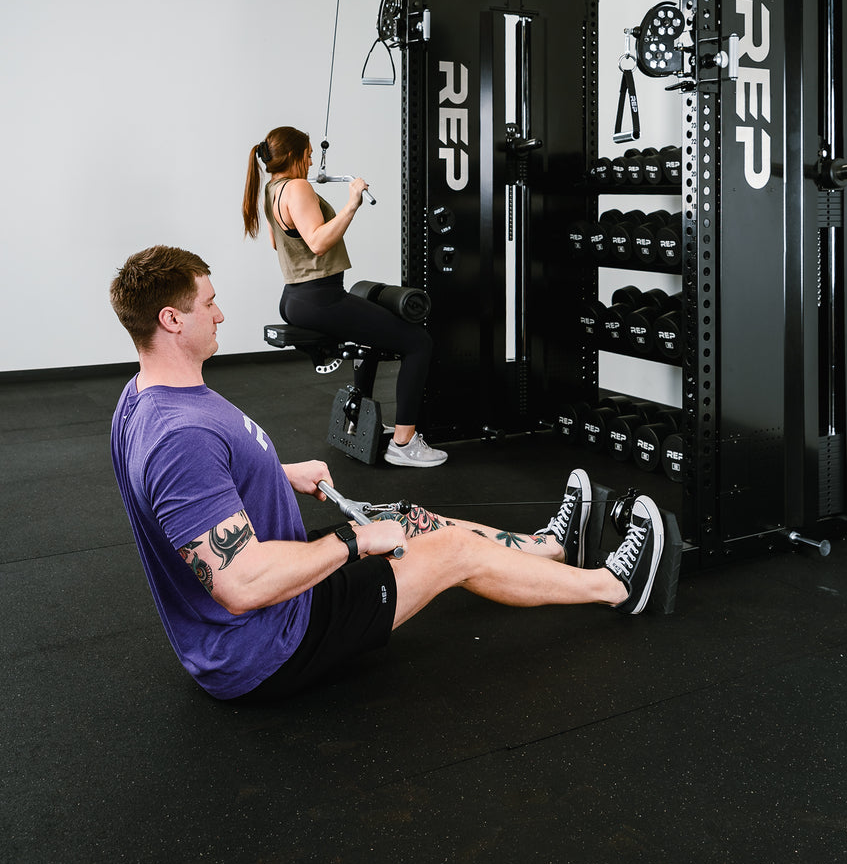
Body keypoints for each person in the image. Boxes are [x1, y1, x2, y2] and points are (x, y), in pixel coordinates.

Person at [108, 246, 666, 701]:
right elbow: (239, 584)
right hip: (269, 642)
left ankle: (546, 548)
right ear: (172, 319)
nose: (221, 313)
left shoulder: (141, 400)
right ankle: (616, 587)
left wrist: (275, 472)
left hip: (273, 604)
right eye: (210, 303)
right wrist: (353, 541)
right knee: (452, 552)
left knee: (409, 517)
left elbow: (186, 492)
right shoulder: (179, 436)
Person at [242, 125, 446, 468]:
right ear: (293, 156)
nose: (310, 163)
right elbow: (318, 243)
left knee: (373, 338)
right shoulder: (297, 186)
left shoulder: (272, 189)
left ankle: (361, 421)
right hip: (320, 298)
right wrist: (352, 203)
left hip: (295, 297)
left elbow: (280, 242)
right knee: (418, 342)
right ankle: (404, 441)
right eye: (307, 155)